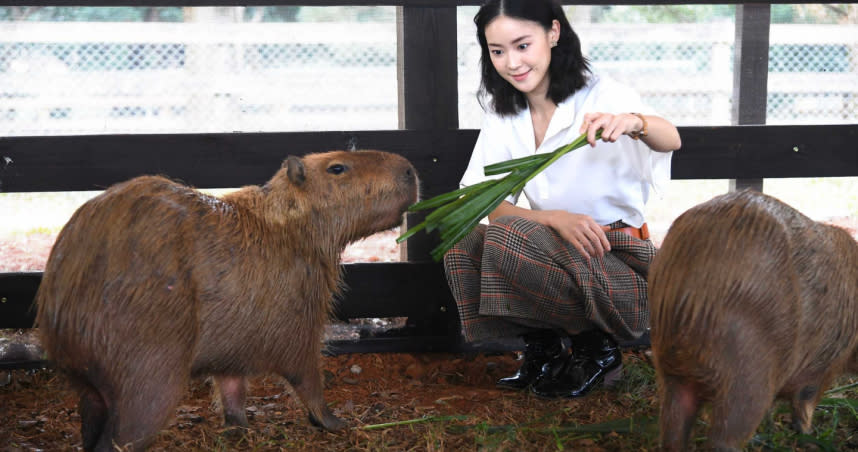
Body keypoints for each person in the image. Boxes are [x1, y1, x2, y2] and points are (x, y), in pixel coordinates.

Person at [444, 0, 681, 399]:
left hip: (617, 260)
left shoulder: (603, 94)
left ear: (553, 33)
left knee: (508, 237)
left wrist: (635, 123)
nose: (511, 63)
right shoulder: (505, 114)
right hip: (552, 249)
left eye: (523, 45)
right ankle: (545, 348)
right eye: (497, 51)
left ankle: (597, 350)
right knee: (464, 245)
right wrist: (552, 218)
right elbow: (482, 201)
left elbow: (671, 137)